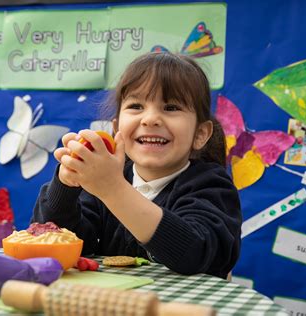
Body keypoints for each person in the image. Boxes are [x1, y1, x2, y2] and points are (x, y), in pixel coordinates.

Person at [32, 52, 242, 278]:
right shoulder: (102, 184)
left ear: (200, 134)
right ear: (117, 129)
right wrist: (66, 185)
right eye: (136, 106)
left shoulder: (210, 185)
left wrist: (113, 189)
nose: (150, 119)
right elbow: (54, 240)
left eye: (171, 107)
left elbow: (196, 252)